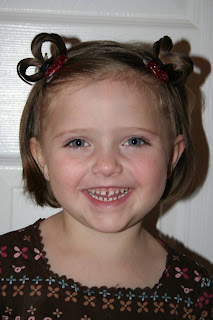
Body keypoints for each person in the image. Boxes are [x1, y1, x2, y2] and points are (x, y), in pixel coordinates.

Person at [0, 32, 212, 320]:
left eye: (135, 141)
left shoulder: (195, 293)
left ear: (172, 157)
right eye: (78, 142)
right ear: (42, 158)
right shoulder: (5, 269)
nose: (107, 165)